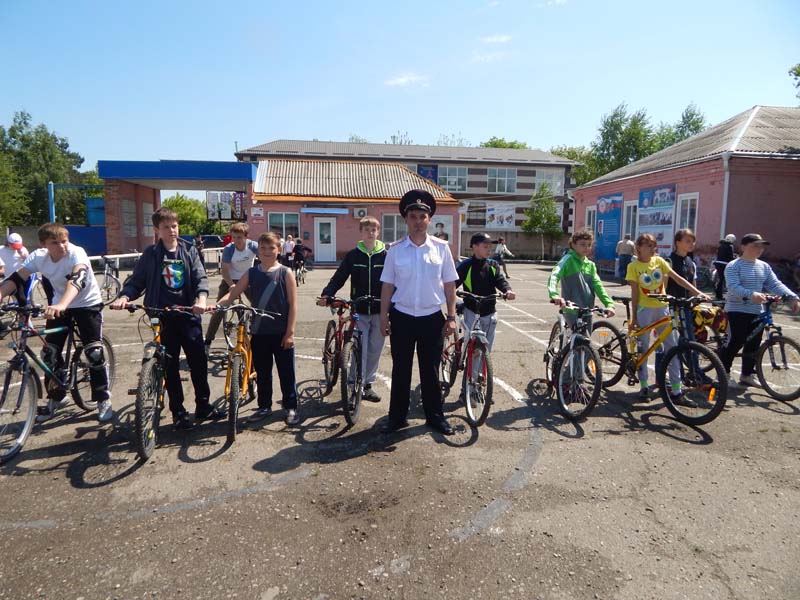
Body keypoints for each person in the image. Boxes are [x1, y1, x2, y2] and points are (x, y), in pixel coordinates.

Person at [111, 207, 224, 430]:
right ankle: (178, 413)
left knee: (198, 363)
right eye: (166, 227)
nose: (172, 230)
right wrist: (124, 297)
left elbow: (200, 278)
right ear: (157, 230)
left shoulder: (189, 251)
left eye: (174, 226)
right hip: (162, 316)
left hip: (188, 314)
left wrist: (201, 300)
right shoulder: (151, 254)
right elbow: (137, 281)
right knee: (169, 367)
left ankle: (203, 406)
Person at [0, 223, 112, 422]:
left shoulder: (77, 253)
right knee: (50, 353)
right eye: (55, 243)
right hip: (59, 304)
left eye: (64, 241)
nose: (62, 246)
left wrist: (62, 304)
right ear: (44, 244)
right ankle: (57, 397)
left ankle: (103, 397)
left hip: (87, 303)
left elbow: (78, 279)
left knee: (94, 351)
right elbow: (16, 278)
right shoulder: (39, 257)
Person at [379, 189, 458, 435]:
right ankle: (397, 418)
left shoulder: (441, 248)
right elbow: (387, 286)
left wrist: (451, 316)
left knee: (431, 371)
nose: (418, 221)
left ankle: (435, 417)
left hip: (431, 318)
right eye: (413, 216)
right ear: (406, 219)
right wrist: (383, 317)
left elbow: (450, 284)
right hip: (402, 317)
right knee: (401, 370)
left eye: (422, 216)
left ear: (429, 219)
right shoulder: (395, 250)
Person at [212, 232, 299, 425]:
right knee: (262, 372)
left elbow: (293, 305)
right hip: (259, 332)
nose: (267, 251)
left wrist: (290, 333)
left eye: (271, 248)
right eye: (263, 248)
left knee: (286, 373)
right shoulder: (251, 273)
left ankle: (291, 406)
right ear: (257, 251)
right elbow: (233, 294)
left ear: (278, 250)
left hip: (281, 332)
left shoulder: (285, 272)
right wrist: (216, 306)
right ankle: (264, 406)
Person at [627, 234, 708, 404]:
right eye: (648, 245)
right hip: (644, 310)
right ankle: (644, 386)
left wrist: (697, 293)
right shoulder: (633, 266)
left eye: (653, 245)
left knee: (672, 348)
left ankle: (676, 390)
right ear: (639, 247)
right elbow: (635, 294)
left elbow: (678, 279)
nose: (652, 249)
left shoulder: (659, 261)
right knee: (644, 349)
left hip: (663, 309)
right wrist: (634, 318)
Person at [318, 216, 387, 402]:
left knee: (375, 349)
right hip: (359, 309)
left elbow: (394, 281)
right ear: (361, 232)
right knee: (359, 348)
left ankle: (367, 385)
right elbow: (339, 277)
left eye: (373, 230)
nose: (370, 233)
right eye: (366, 230)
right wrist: (327, 294)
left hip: (380, 310)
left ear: (378, 232)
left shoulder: (386, 255)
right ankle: (352, 383)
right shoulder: (353, 255)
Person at [720, 233, 800, 388]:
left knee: (754, 343)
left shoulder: (764, 266)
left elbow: (775, 284)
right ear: (743, 247)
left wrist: (792, 297)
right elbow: (733, 287)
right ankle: (724, 374)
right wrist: (751, 294)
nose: (759, 249)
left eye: (761, 246)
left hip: (757, 310)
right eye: (755, 245)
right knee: (735, 341)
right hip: (737, 309)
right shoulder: (733, 265)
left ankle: (747, 375)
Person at [456, 232, 516, 352]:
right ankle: (467, 361)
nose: (489, 250)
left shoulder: (493, 265)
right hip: (471, 310)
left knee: (486, 349)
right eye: (485, 247)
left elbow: (500, 280)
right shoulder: (465, 266)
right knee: (473, 348)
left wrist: (508, 290)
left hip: (489, 310)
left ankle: (484, 364)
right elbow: (453, 284)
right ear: (474, 247)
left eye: (490, 247)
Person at [204, 222, 258, 352]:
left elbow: (265, 260)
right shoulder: (229, 249)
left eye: (239, 237)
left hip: (247, 279)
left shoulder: (253, 246)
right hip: (230, 280)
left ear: (246, 236)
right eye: (233, 237)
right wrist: (232, 285)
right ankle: (208, 341)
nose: (236, 240)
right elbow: (225, 271)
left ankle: (256, 335)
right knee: (219, 310)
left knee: (259, 306)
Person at [547, 228, 615, 328]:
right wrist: (554, 295)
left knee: (586, 336)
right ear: (573, 245)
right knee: (576, 334)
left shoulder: (590, 265)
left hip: (587, 310)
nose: (586, 248)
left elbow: (598, 286)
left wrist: (609, 304)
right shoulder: (568, 260)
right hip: (571, 309)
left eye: (589, 245)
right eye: (582, 244)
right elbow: (554, 276)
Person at [714, 234, 736, 300]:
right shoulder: (730, 246)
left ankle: (718, 295)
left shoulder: (721, 246)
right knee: (728, 279)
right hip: (725, 264)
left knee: (720, 280)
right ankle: (730, 294)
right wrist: (735, 258)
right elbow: (730, 257)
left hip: (718, 263)